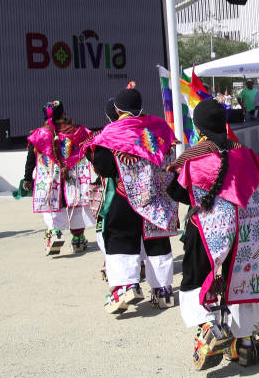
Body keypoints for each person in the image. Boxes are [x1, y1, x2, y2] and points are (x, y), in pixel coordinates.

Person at [167, 99, 259, 369]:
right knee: (237, 281)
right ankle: (244, 343)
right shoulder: (245, 153)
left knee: (194, 279)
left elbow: (176, 192)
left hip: (205, 231)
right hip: (244, 232)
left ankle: (208, 332)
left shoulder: (193, 157)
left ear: (198, 126)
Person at [89, 85, 179, 313]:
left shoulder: (112, 132)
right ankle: (163, 290)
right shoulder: (159, 127)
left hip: (125, 196)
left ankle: (126, 286)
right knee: (157, 240)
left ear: (118, 110)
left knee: (121, 237)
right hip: (157, 196)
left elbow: (105, 168)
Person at [22, 100, 95, 255]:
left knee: (52, 207)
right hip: (71, 178)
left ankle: (55, 233)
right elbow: (90, 151)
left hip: (51, 180)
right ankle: (78, 239)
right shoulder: (77, 131)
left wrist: (28, 178)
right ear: (63, 113)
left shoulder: (39, 134)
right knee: (75, 207)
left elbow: (30, 158)